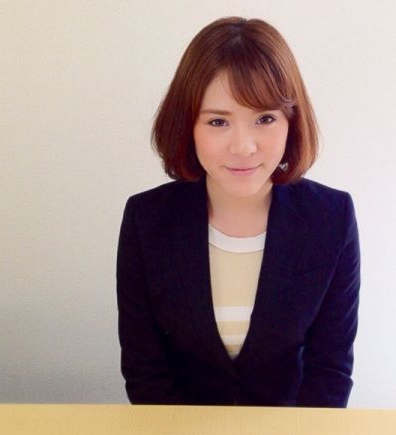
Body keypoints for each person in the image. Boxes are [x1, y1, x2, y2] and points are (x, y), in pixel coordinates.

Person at [116, 16, 360, 407]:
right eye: (218, 121)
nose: (243, 147)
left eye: (265, 118)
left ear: (292, 122)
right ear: (187, 126)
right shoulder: (146, 219)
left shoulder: (331, 218)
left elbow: (329, 371)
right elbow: (145, 371)